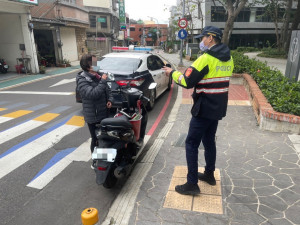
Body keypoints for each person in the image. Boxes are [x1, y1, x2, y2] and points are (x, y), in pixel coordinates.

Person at [162, 26, 234, 195]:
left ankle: (192, 183)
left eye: (203, 38)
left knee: (191, 143)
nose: (202, 41)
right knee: (209, 141)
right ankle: (209, 174)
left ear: (210, 38)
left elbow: (187, 81)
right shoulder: (229, 58)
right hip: (218, 107)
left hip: (203, 108)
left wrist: (172, 73)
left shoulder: (206, 58)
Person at [77, 54, 113, 167]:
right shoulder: (82, 79)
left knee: (105, 138)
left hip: (104, 112)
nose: (97, 65)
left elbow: (108, 90)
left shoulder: (99, 75)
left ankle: (105, 162)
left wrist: (110, 99)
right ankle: (97, 162)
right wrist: (102, 81)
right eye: (94, 63)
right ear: (87, 66)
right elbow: (92, 94)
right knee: (96, 139)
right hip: (93, 115)